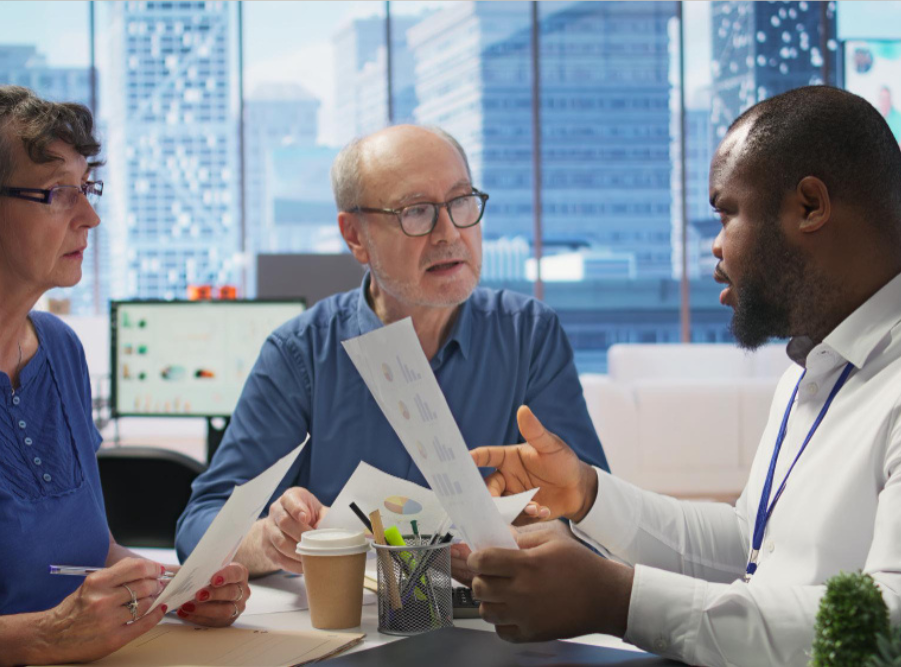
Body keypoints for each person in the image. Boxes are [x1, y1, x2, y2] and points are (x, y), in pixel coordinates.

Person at [463, 85, 901, 666]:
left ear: (810, 207)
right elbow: (752, 544)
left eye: (727, 213)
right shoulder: (814, 369)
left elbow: (887, 625)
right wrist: (587, 494)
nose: (714, 248)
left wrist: (617, 599)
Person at [0, 79, 250, 667]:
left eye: (88, 188)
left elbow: (94, 551)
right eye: (59, 193)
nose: (89, 216)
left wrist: (175, 588)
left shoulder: (60, 349)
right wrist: (35, 638)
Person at [176, 124, 609, 576]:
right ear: (355, 236)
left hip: (490, 624)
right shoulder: (299, 354)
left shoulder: (528, 335)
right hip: (344, 634)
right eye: (416, 211)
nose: (449, 233)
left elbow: (599, 518)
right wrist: (267, 540)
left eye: (461, 201)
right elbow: (199, 531)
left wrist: (541, 531)